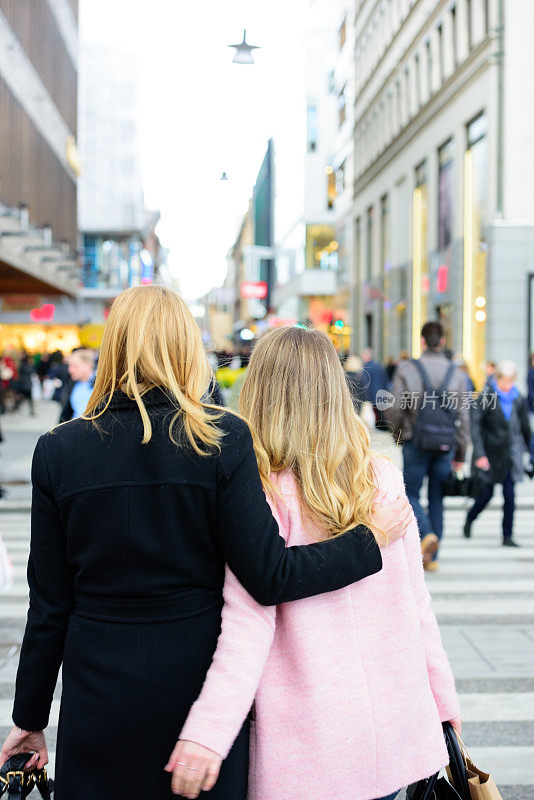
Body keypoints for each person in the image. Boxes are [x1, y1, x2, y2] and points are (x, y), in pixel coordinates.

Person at [0, 286, 411, 800]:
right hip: (196, 686)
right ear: (186, 349)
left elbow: (50, 604)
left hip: (97, 689)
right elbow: (269, 576)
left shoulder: (58, 451)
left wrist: (29, 717)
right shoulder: (220, 439)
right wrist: (368, 540)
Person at [168, 327, 461, 800]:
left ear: (259, 391)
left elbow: (248, 623)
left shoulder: (257, 491)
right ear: (333, 390)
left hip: (308, 741)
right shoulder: (378, 476)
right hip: (393, 726)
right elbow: (416, 605)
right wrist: (443, 701)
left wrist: (208, 731)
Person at [387, 321, 470, 570]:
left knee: (410, 493)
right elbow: (464, 417)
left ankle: (426, 534)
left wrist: (399, 435)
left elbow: (393, 408)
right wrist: (462, 452)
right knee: (437, 497)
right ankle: (432, 557)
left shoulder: (407, 369)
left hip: (415, 442)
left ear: (422, 341)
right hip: (446, 445)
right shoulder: (457, 374)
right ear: (442, 341)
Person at [464, 360, 531, 547]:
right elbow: (475, 427)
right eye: (504, 381)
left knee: (510, 495)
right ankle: (470, 518)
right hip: (490, 455)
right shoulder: (487, 396)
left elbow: (526, 429)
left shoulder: (518, 398)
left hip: (510, 456)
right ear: (497, 378)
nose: (507, 385)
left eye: (511, 381)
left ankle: (507, 535)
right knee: (486, 494)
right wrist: (480, 454)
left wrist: (531, 453)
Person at [58, 349, 95, 422]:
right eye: (70, 366)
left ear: (87, 366)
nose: (70, 370)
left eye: (75, 366)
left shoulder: (100, 385)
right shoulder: (72, 383)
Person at [361, 347, 389, 429]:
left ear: (367, 356)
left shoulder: (365, 368)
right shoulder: (379, 366)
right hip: (380, 393)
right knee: (380, 413)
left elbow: (364, 383)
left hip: (371, 394)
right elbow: (385, 379)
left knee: (373, 414)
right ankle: (382, 426)